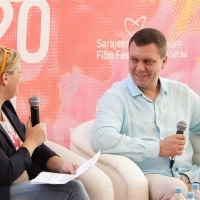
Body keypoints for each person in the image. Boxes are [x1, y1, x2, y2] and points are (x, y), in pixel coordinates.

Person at [91, 28, 200, 200]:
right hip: (149, 177)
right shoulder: (116, 96)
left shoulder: (182, 93)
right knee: (176, 189)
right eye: (134, 59)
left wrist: (191, 177)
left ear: (164, 61)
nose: (139, 68)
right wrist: (156, 148)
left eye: (148, 61)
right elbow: (102, 139)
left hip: (190, 176)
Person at [0, 46, 90, 200]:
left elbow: (33, 145)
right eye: (19, 73)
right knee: (72, 189)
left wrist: (60, 164)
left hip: (23, 184)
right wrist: (31, 141)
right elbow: (6, 172)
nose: (21, 78)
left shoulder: (6, 107)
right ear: (5, 78)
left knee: (73, 183)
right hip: (6, 192)